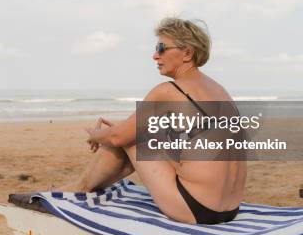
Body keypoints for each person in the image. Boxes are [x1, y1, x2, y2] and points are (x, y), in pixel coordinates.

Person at [57, 17, 246, 224]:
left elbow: (120, 137)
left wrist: (96, 135)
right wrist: (118, 133)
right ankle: (84, 185)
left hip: (196, 209)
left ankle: (80, 188)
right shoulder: (220, 91)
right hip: (229, 209)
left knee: (128, 138)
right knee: (139, 133)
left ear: (187, 53)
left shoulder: (169, 91)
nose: (155, 56)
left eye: (161, 48)